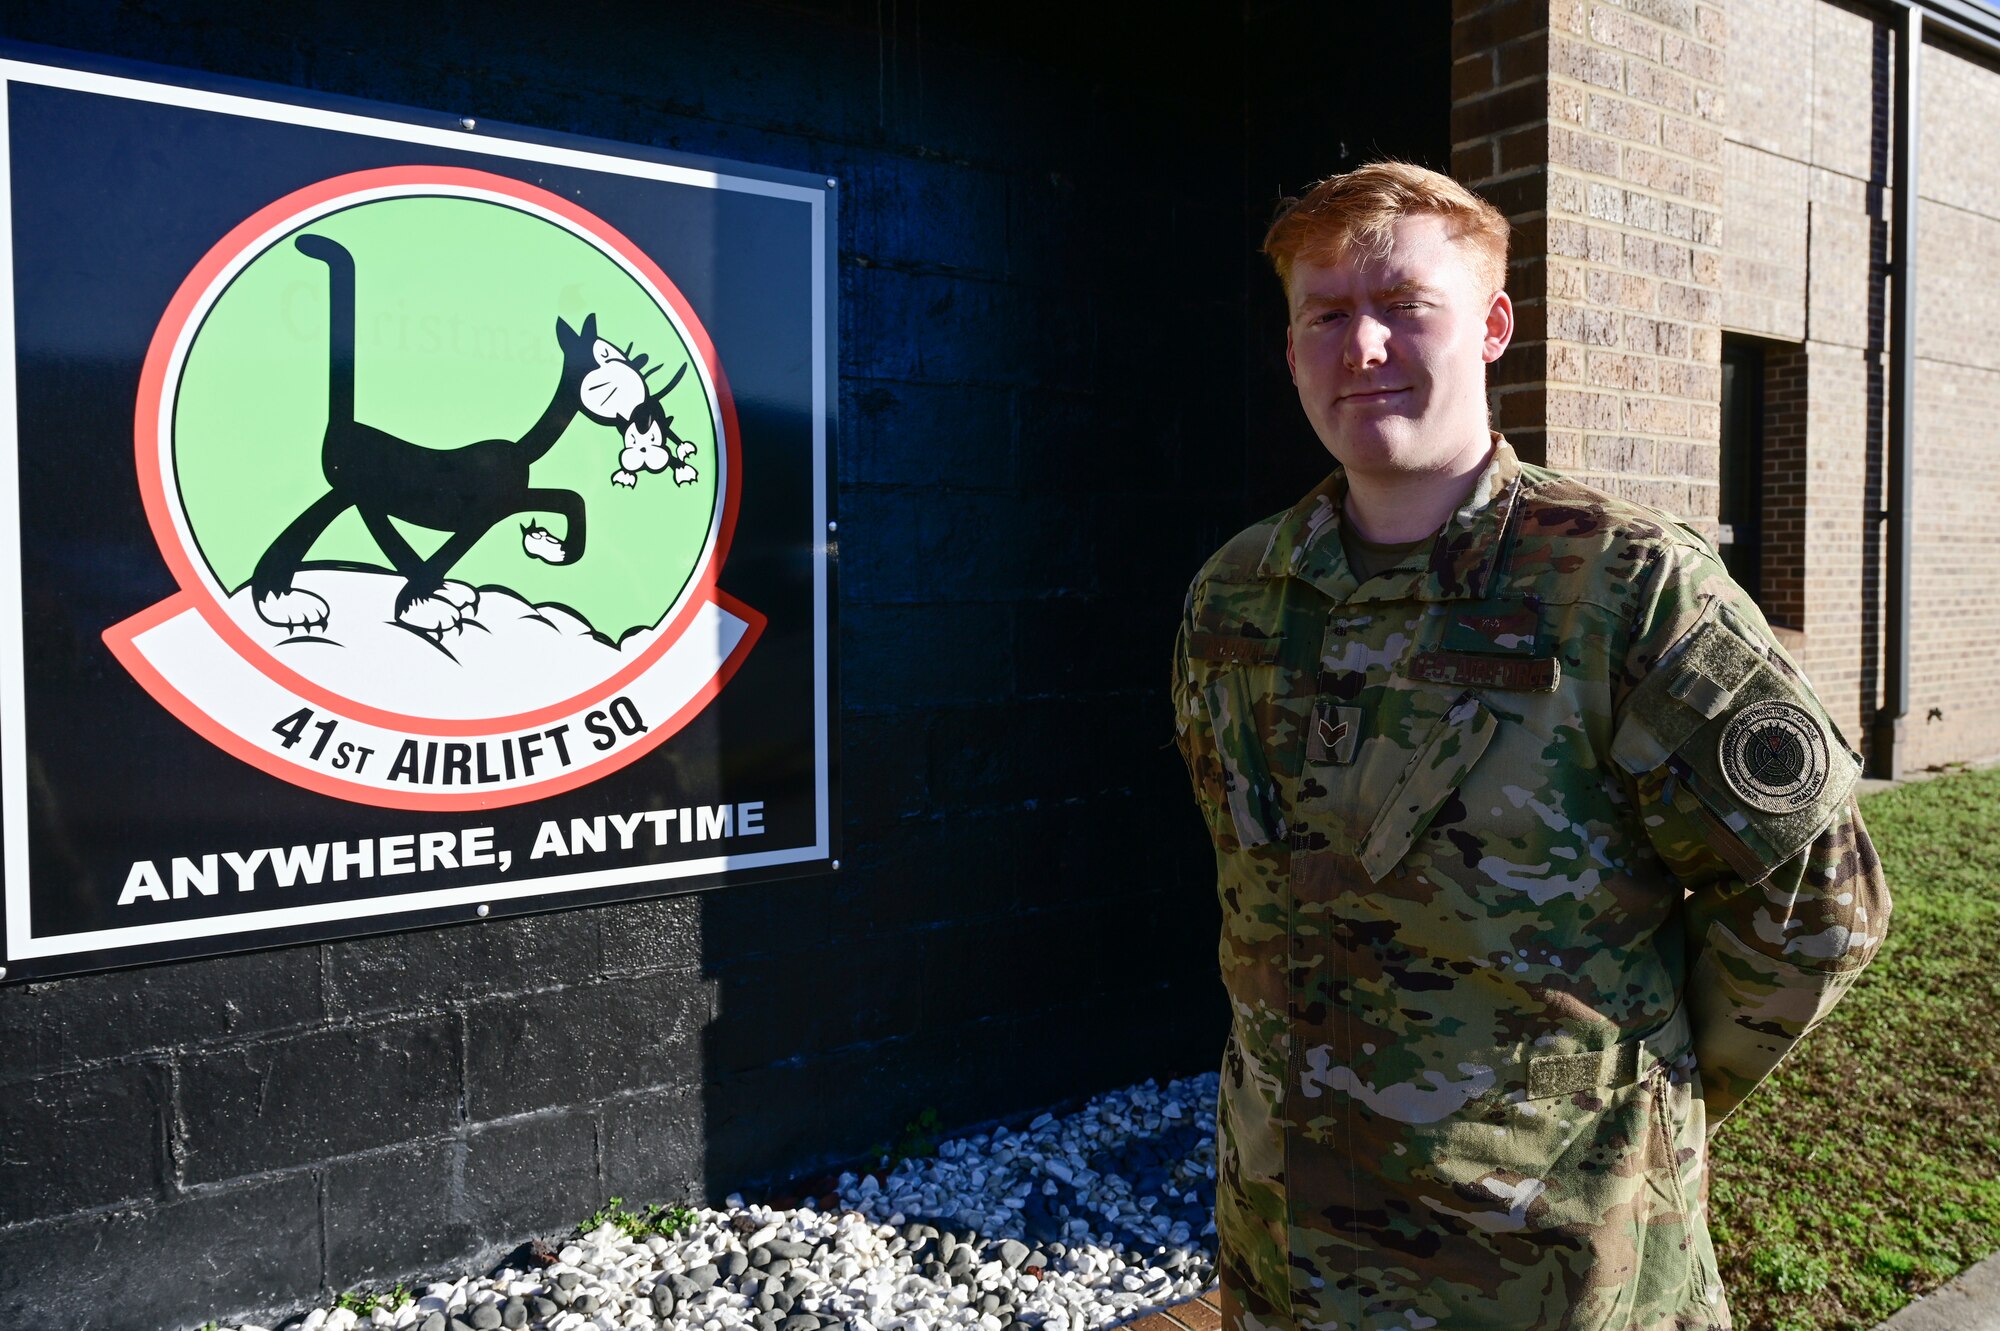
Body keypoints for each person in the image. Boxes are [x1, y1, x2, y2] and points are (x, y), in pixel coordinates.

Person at [1171, 161, 1890, 1331]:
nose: (1362, 347)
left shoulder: (1620, 587)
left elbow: (1818, 902)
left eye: (1403, 305)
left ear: (1493, 323)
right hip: (1286, 1255)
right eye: (1325, 313)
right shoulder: (1234, 597)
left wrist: (1634, 1105)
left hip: (1551, 1273)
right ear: (1291, 344)